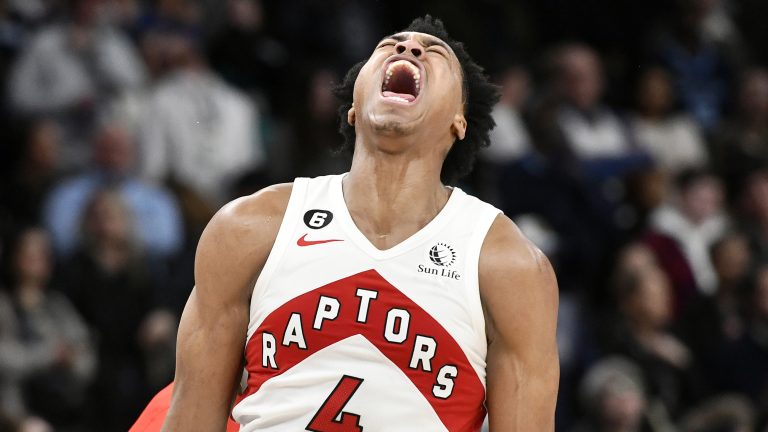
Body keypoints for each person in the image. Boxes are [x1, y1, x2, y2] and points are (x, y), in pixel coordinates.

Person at [148, 15, 560, 431]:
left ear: (460, 119)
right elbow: (191, 415)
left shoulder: (506, 262)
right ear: (352, 107)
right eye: (389, 45)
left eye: (433, 52)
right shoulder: (252, 227)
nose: (408, 49)